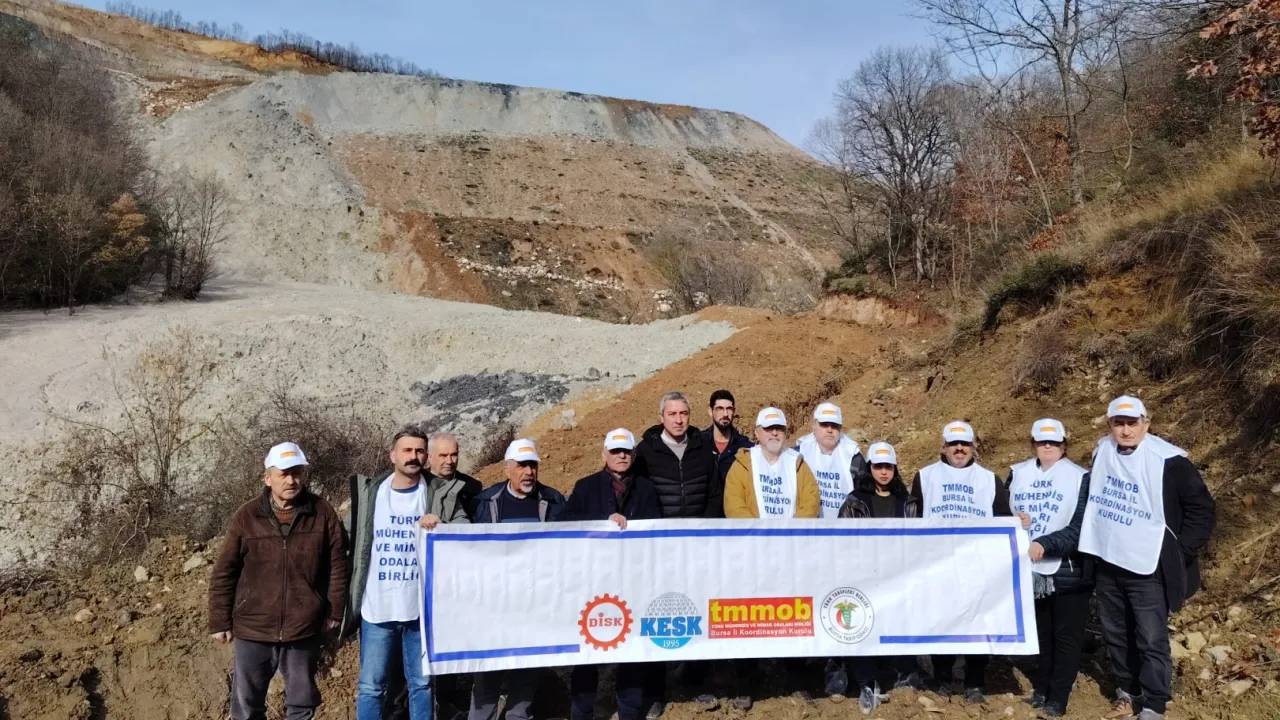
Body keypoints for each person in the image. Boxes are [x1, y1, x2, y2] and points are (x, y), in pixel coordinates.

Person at [1079, 397, 1215, 720]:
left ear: (1146, 424)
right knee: (1115, 632)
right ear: (1109, 425)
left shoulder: (1170, 462)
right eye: (1119, 423)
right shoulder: (1102, 452)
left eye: (1132, 423)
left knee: (1151, 637)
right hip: (1109, 561)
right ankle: (1129, 691)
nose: (1126, 430)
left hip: (1149, 567)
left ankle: (1154, 703)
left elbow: (1202, 509)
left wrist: (1179, 553)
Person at [209, 442, 347, 720]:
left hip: (303, 626)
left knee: (301, 703)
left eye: (296, 473)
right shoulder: (247, 516)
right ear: (267, 478)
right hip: (253, 626)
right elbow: (225, 571)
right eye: (283, 474)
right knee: (247, 705)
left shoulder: (322, 512)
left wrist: (334, 611)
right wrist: (219, 621)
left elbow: (337, 565)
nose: (291, 480)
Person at [348, 428, 469, 720]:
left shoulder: (439, 493)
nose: (413, 456)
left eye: (419, 451)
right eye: (407, 450)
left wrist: (442, 526)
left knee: (422, 685)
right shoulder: (371, 493)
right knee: (371, 687)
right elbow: (345, 534)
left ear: (426, 457)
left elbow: (465, 529)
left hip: (420, 611)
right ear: (392, 455)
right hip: (377, 609)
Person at [559, 429, 662, 720]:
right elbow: (565, 522)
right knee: (587, 651)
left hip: (633, 583)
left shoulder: (646, 489)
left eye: (626, 451)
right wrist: (602, 523)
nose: (621, 456)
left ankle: (629, 711)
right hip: (592, 583)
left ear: (634, 454)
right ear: (604, 454)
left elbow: (656, 529)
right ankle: (581, 712)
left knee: (632, 650)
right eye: (615, 451)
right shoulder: (585, 487)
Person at [908, 421, 1014, 704]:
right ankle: (942, 678)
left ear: (972, 447)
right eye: (953, 444)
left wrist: (1017, 524)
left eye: (964, 444)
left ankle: (975, 681)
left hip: (977, 565)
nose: (959, 449)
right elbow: (913, 519)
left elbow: (1003, 519)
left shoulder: (989, 480)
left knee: (977, 622)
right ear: (943, 447)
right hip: (938, 564)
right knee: (942, 621)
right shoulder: (925, 477)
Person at [723, 407, 820, 710]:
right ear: (757, 433)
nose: (774, 433)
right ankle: (746, 681)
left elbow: (810, 500)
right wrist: (760, 536)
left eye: (779, 428)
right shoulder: (743, 464)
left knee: (793, 614)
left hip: (790, 554)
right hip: (753, 554)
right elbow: (733, 504)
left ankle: (797, 677)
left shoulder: (797, 463)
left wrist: (790, 534)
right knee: (749, 615)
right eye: (768, 428)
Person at [632, 391, 721, 717]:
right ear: (661, 418)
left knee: (697, 611)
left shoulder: (703, 449)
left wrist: (703, 531)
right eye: (672, 414)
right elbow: (639, 495)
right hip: (659, 550)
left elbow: (714, 495)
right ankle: (655, 690)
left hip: (697, 548)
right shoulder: (645, 452)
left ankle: (694, 679)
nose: (679, 419)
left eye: (683, 413)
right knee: (658, 614)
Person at [469, 439, 566, 720]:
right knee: (488, 672)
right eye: (521, 466)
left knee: (527, 670)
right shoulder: (485, 502)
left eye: (532, 466)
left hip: (535, 603)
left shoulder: (554, 500)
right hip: (494, 604)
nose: (528, 472)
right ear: (507, 470)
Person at [1005, 420, 1093, 719]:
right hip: (1029, 569)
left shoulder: (1080, 477)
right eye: (1042, 441)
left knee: (1066, 637)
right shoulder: (1018, 473)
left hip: (1068, 571)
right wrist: (1013, 520)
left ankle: (1058, 697)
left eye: (1054, 442)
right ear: (1033, 444)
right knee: (1041, 633)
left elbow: (1080, 526)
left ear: (1063, 446)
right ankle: (1042, 689)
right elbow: (1001, 511)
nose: (1047, 446)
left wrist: (1047, 542)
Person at [831, 441, 922, 714]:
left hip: (897, 576)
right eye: (878, 466)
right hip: (864, 577)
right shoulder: (855, 501)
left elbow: (919, 542)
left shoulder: (908, 503)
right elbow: (842, 541)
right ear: (869, 468)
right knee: (864, 627)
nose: (884, 472)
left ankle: (906, 674)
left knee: (900, 623)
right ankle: (866, 682)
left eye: (888, 467)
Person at [794, 402, 868, 519]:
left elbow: (864, 496)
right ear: (814, 427)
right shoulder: (797, 455)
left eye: (834, 426)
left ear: (840, 428)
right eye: (824, 424)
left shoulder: (854, 458)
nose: (829, 430)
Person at [701, 389, 753, 490]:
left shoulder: (745, 447)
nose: (725, 414)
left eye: (729, 409)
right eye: (719, 408)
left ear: (734, 411)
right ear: (710, 411)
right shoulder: (699, 443)